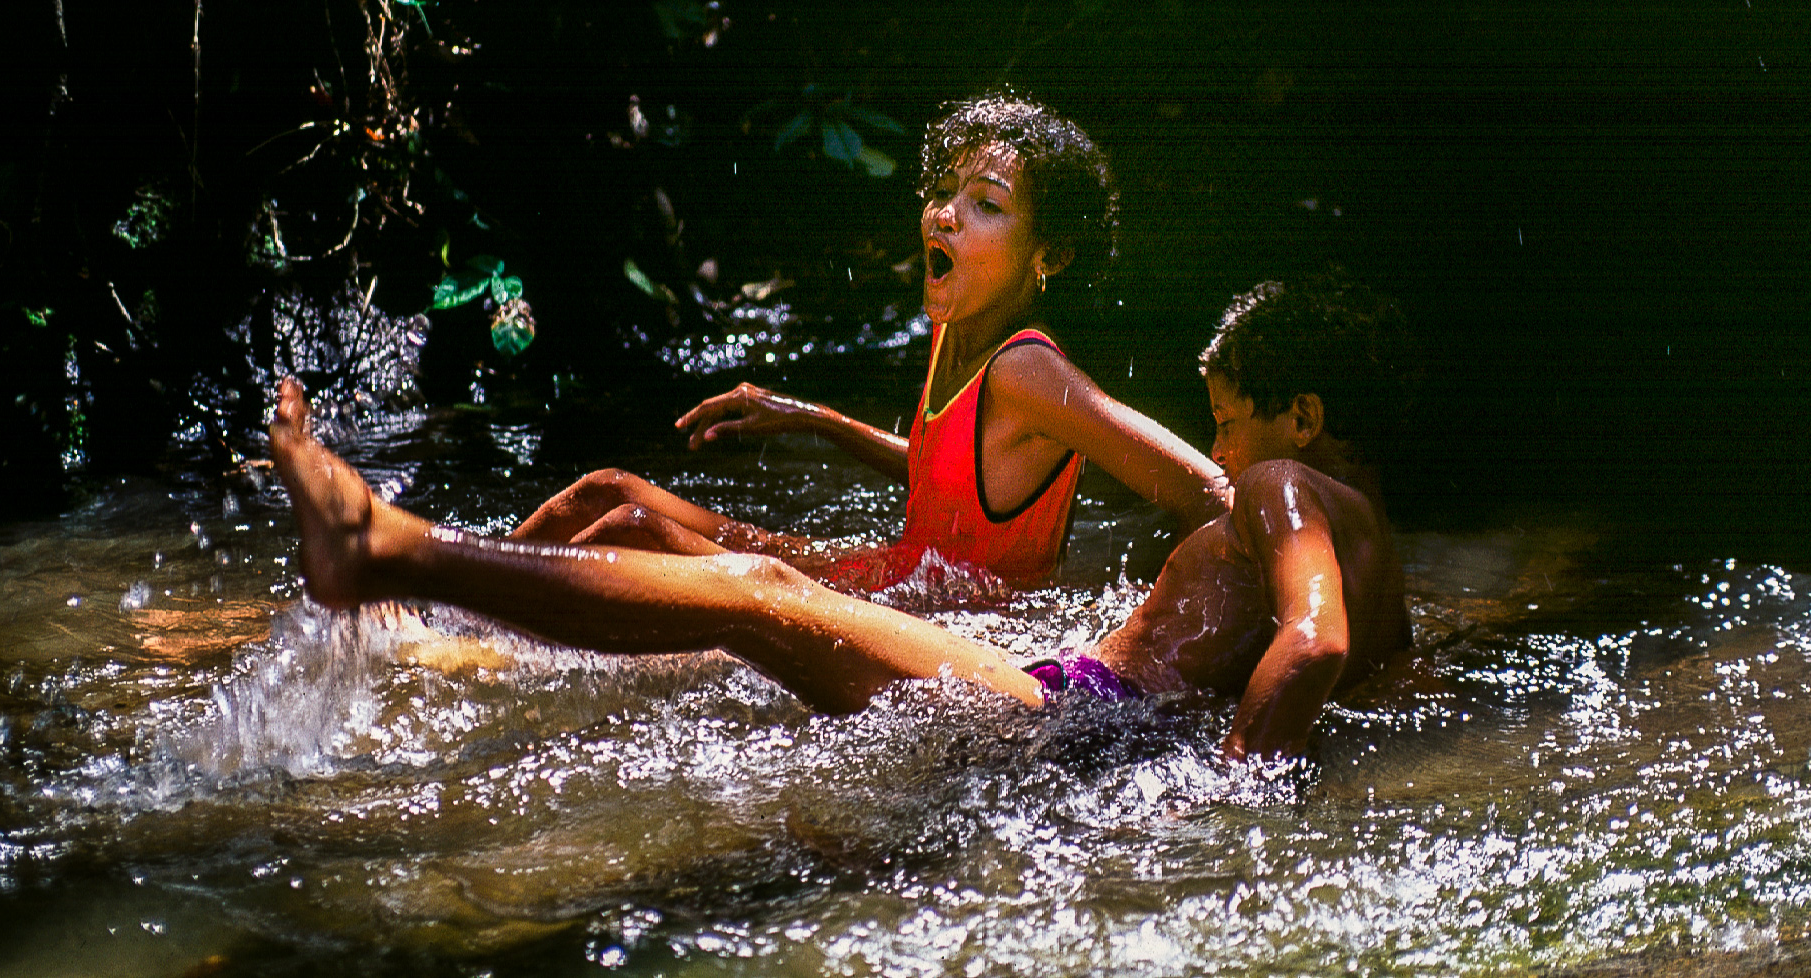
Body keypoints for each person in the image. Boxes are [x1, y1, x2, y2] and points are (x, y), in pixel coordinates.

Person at [270, 273, 1415, 761]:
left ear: (1302, 415)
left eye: (1227, 421)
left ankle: (390, 548)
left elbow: (1311, 644)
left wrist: (1235, 791)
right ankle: (426, 605)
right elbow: (1371, 669)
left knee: (757, 597)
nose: (1219, 452)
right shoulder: (1385, 554)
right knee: (745, 614)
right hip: (1087, 718)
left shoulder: (1279, 487)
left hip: (1075, 712)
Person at [508, 94, 1228, 592]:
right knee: (603, 493)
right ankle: (437, 612)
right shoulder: (954, 330)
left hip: (938, 626)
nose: (945, 215)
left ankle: (463, 636)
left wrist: (1176, 624)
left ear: (1051, 255)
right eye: (944, 190)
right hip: (891, 576)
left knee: (637, 527)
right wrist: (809, 418)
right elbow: (944, 483)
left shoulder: (1030, 369)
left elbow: (1212, 494)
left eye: (987, 205)